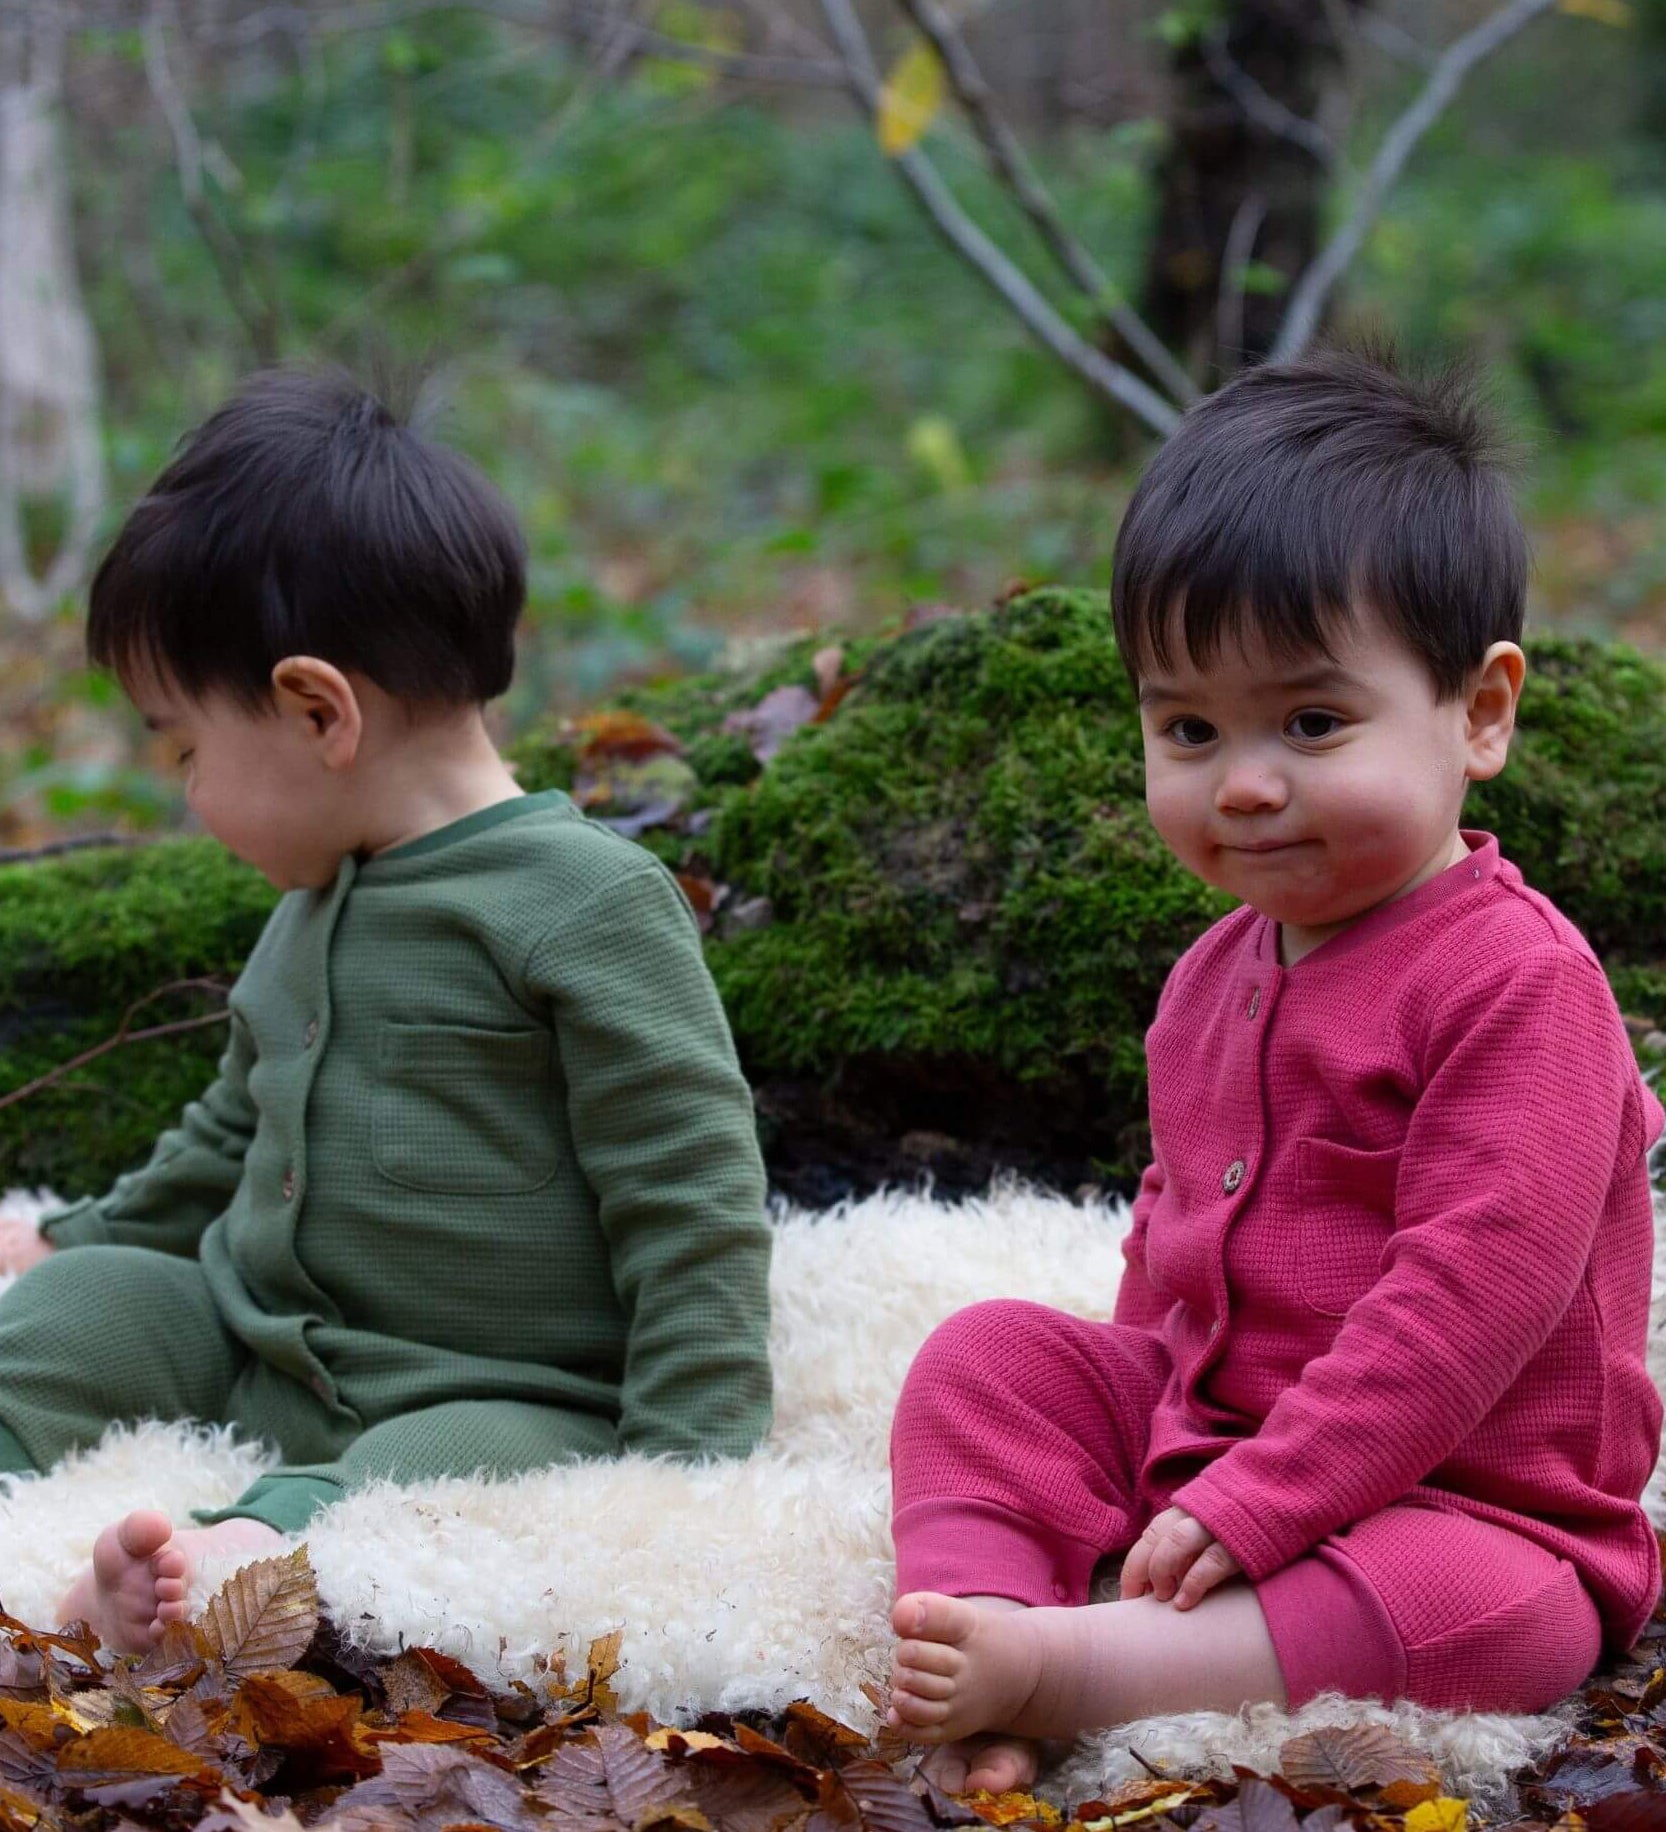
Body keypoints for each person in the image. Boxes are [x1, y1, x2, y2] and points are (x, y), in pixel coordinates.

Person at [885, 349, 1664, 1794]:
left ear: (1479, 714)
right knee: (986, 1355)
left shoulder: (1519, 986)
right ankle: (977, 1622)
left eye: (1310, 723)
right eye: (1187, 728)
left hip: (1467, 1490)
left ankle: (1087, 1664)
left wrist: (1263, 1501)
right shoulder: (1205, 977)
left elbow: (1466, 1304)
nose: (1242, 782)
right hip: (1221, 1436)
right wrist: (1154, 1437)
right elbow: (1169, 1238)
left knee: (1498, 1618)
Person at [0, 369, 772, 1654]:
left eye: (185, 748)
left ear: (319, 711)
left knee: (412, 1473)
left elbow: (691, 1193)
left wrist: (694, 1475)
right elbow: (227, 1130)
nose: (186, 788)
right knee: (92, 1304)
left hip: (495, 1386)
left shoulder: (584, 904)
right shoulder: (316, 902)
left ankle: (225, 1561)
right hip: (260, 1343)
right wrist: (71, 1239)